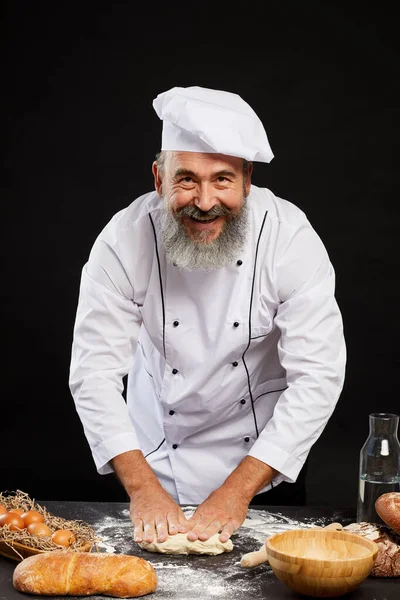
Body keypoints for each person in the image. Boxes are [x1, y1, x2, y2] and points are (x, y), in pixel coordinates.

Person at [69, 85, 346, 547]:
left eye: (222, 179)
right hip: (152, 457)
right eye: (186, 180)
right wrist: (141, 489)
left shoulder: (289, 237)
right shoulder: (123, 241)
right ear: (158, 179)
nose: (204, 200)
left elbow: (318, 375)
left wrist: (237, 493)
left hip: (262, 465)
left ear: (246, 181)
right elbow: (93, 373)